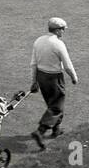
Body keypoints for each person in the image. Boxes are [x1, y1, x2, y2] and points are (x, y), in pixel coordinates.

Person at [29, 17, 78, 148]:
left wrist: (34, 81)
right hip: (54, 78)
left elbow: (33, 63)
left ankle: (56, 130)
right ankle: (40, 131)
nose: (63, 32)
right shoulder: (58, 44)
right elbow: (67, 65)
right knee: (56, 106)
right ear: (57, 30)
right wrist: (74, 77)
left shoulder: (38, 41)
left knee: (52, 103)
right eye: (62, 29)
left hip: (41, 76)